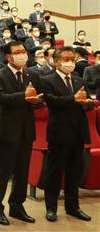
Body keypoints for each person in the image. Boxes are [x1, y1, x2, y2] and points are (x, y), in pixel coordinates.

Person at [0, 41, 43, 226]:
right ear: (9, 57)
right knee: (3, 172)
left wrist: (36, 101)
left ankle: (17, 206)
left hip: (27, 130)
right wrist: (24, 96)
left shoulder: (32, 74)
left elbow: (39, 100)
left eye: (23, 51)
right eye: (17, 52)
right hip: (7, 130)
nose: (22, 54)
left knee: (22, 172)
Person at [41, 46, 93, 223]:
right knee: (54, 172)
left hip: (78, 132)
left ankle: (73, 207)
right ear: (57, 62)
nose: (70, 62)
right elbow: (52, 102)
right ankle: (51, 208)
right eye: (66, 59)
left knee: (74, 172)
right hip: (59, 132)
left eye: (72, 58)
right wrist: (74, 99)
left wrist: (87, 103)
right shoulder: (47, 80)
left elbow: (85, 104)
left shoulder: (79, 80)